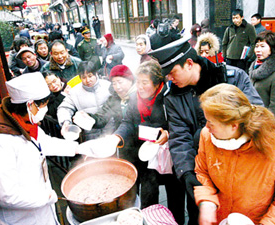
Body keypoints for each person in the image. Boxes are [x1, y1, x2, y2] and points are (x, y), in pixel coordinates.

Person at [148, 36, 263, 225]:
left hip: (242, 174)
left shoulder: (233, 78)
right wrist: (186, 173)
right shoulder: (172, 97)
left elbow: (258, 117)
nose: (169, 78)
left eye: (172, 72)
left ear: (189, 64)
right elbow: (179, 138)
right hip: (203, 177)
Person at [0, 72, 80, 225]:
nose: (44, 112)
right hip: (17, 219)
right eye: (43, 106)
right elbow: (6, 196)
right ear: (30, 104)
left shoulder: (23, 123)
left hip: (40, 211)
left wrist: (80, 148)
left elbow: (45, 143)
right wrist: (47, 197)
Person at [97, 61, 186, 224]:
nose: (140, 87)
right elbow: (128, 122)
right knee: (148, 197)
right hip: (146, 155)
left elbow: (181, 124)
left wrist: (169, 133)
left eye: (145, 82)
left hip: (171, 156)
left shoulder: (170, 97)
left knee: (175, 198)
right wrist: (116, 137)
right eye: (138, 82)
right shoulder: (133, 98)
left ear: (157, 82)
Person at [195, 83, 275, 225]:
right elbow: (202, 171)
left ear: (234, 125)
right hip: (220, 219)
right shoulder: (207, 136)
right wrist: (207, 200)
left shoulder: (270, 144)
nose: (206, 127)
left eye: (211, 123)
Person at [57, 61, 112, 141]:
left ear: (95, 74)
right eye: (84, 77)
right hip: (90, 135)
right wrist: (65, 121)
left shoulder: (107, 86)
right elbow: (64, 108)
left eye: (90, 76)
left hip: (110, 131)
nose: (88, 80)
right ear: (80, 78)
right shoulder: (74, 92)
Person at [249, 30, 275, 115]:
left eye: (262, 46)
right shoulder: (253, 68)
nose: (258, 50)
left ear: (271, 49)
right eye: (256, 46)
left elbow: (273, 106)